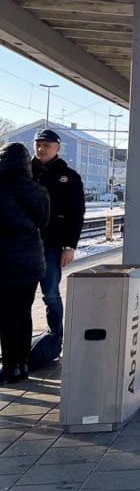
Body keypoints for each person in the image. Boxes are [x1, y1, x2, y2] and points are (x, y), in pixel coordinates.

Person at [31, 128, 85, 357]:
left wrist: (70, 246)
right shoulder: (23, 172)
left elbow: (76, 214)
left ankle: (56, 338)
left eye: (47, 145)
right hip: (23, 247)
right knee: (19, 297)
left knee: (50, 294)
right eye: (39, 145)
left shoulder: (69, 177)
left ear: (57, 148)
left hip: (53, 246)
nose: (42, 149)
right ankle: (21, 342)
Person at [0, 143, 50, 383]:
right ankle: (23, 363)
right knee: (23, 312)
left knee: (6, 316)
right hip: (31, 262)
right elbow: (43, 222)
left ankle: (10, 367)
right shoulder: (38, 191)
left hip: (5, 262)